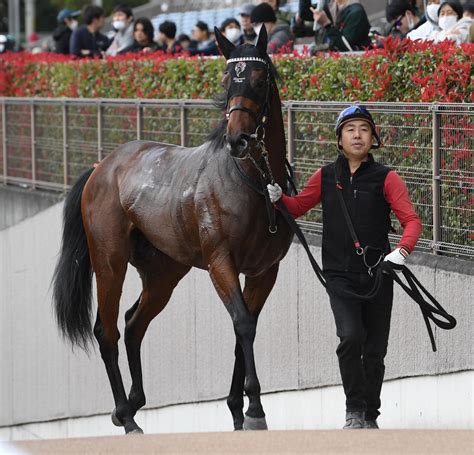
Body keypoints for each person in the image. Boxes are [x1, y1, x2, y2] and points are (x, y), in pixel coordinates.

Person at [267, 106, 422, 429]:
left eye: (364, 129)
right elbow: (298, 207)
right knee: (350, 337)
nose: (357, 134)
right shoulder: (325, 176)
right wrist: (279, 197)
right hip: (338, 276)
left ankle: (370, 415)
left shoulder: (387, 178)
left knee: (376, 352)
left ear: (373, 139)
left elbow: (411, 220)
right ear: (339, 138)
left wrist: (402, 252)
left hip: (380, 275)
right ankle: (354, 410)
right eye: (350, 129)